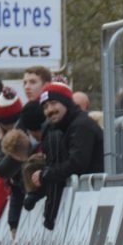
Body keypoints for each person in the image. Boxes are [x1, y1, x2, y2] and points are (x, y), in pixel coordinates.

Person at [24, 82, 104, 230]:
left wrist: (45, 175)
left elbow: (76, 164)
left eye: (53, 103)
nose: (50, 110)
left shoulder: (81, 125)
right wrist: (36, 193)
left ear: (66, 102)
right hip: (77, 207)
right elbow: (55, 165)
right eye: (45, 106)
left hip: (92, 204)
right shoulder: (57, 129)